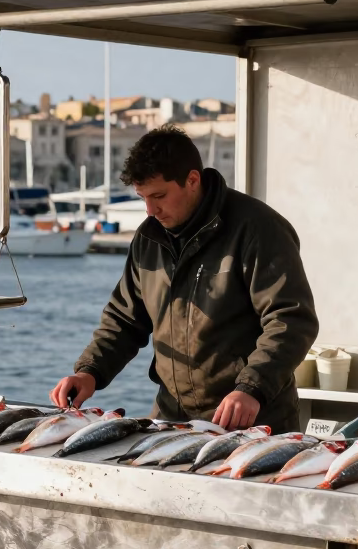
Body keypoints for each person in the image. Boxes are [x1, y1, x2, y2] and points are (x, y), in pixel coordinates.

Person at [50, 125, 318, 434]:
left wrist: (252, 388)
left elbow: (291, 320)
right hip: (172, 418)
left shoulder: (259, 229)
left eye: (159, 196)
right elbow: (124, 320)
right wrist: (89, 372)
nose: (150, 210)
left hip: (254, 420)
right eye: (143, 198)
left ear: (192, 180)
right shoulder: (148, 239)